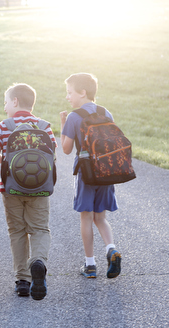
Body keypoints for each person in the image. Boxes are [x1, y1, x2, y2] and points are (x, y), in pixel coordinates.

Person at [0, 83, 57, 300]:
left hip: (11, 188)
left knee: (17, 231)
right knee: (39, 229)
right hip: (39, 187)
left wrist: (7, 163)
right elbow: (51, 156)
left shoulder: (3, 126)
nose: (5, 106)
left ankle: (22, 281)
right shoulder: (44, 126)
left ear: (15, 101)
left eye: (6, 102)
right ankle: (38, 261)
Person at [59, 73, 122, 279]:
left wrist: (62, 125)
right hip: (106, 170)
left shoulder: (74, 116)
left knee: (86, 216)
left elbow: (66, 149)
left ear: (82, 92)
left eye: (70, 92)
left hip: (86, 172)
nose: (68, 97)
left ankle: (90, 265)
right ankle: (111, 249)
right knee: (100, 217)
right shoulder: (107, 112)